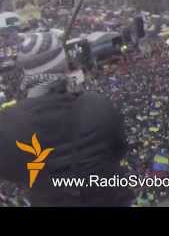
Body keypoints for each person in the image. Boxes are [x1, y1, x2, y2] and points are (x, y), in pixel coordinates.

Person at [0, 31, 133, 206]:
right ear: (64, 66)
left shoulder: (9, 124)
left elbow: (11, 173)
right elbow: (119, 149)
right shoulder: (99, 104)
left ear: (26, 73)